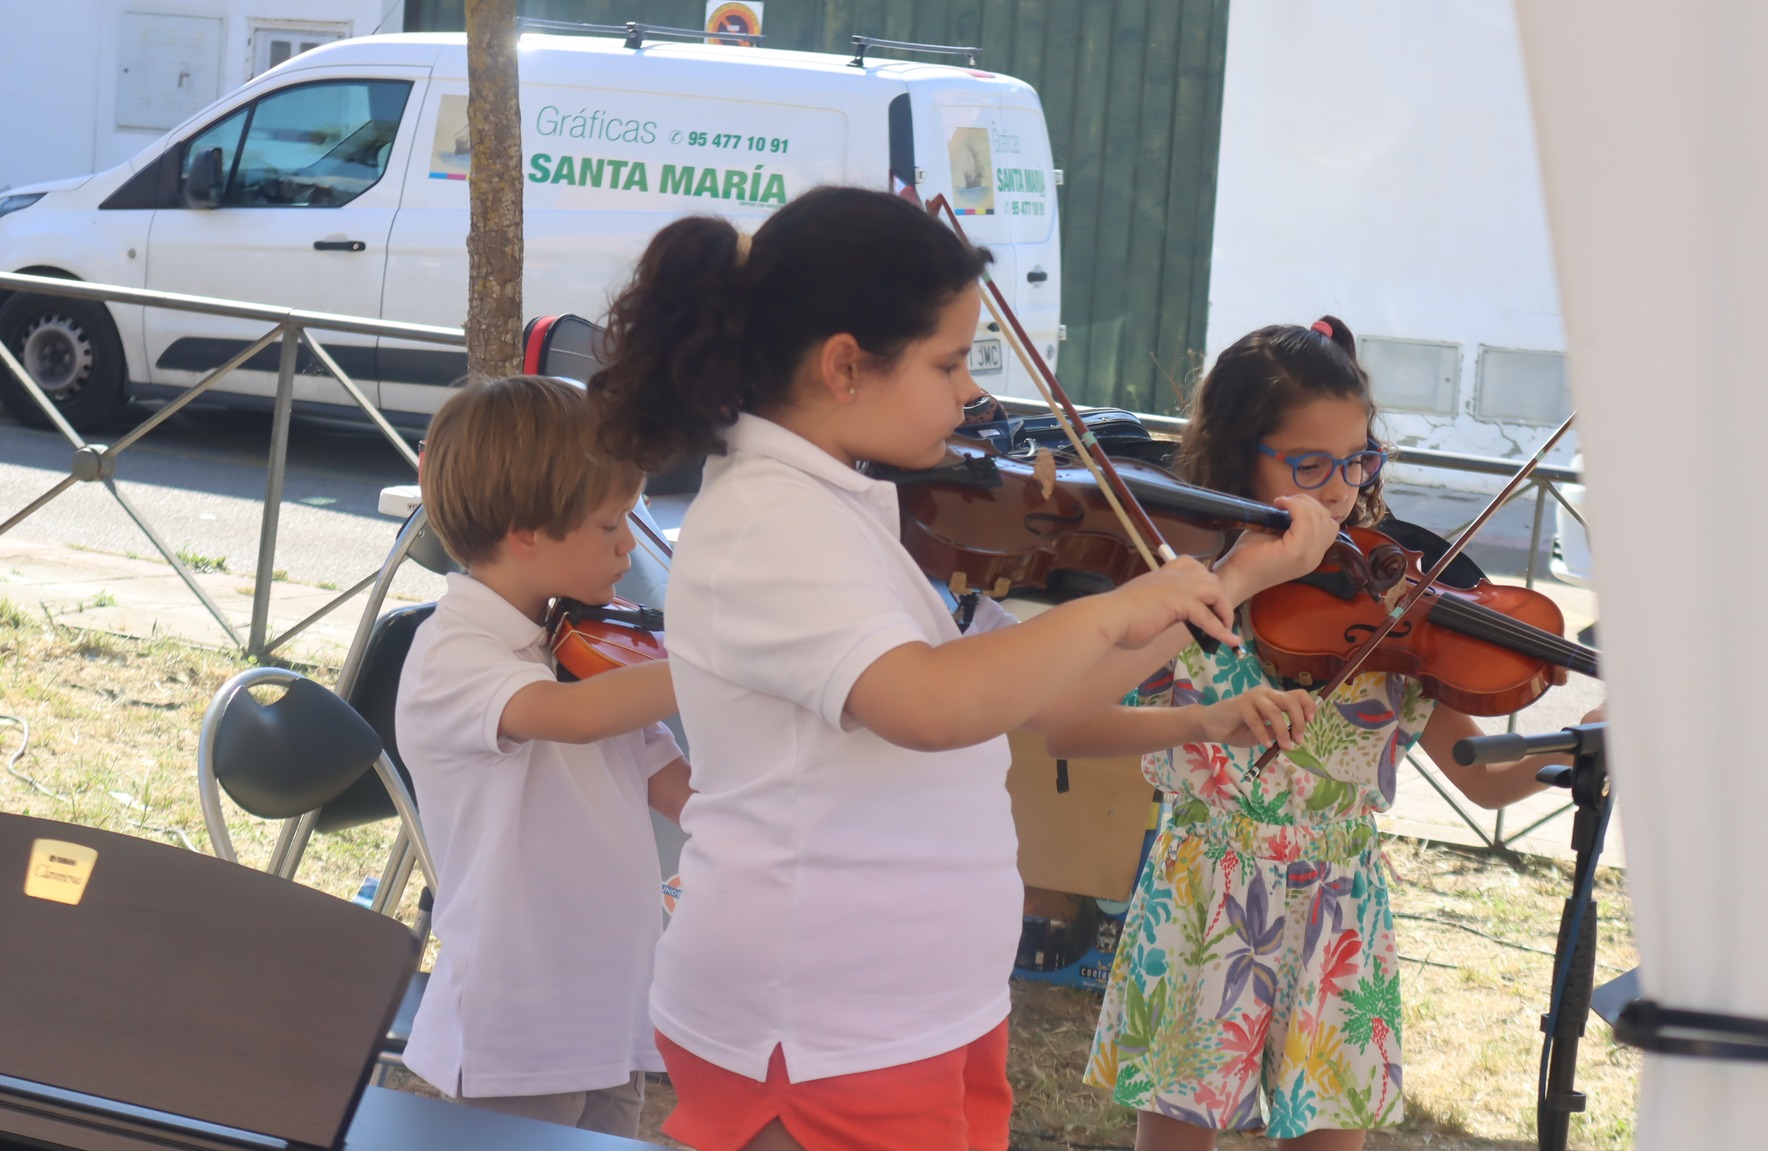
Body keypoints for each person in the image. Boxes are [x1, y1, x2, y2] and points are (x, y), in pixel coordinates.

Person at [586, 186, 1301, 1151]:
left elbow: (1047, 696)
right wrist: (1116, 605)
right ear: (846, 365)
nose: (970, 393)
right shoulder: (771, 521)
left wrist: (1233, 579)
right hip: (820, 1030)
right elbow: (928, 704)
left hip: (916, 1014)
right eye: (949, 362)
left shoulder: (844, 505)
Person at [1051, 317, 1604, 1149]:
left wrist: (1583, 742)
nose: (1341, 489)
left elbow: (1483, 779)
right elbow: (1067, 726)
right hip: (1202, 893)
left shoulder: (1390, 604)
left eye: (1358, 460)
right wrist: (1208, 706)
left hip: (1341, 904)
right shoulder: (1187, 584)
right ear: (1238, 453)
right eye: (1310, 465)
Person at [394, 375, 695, 1137]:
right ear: (526, 532)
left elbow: (668, 778)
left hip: (610, 1003)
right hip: (521, 1021)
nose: (630, 545)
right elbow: (575, 718)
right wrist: (722, 661)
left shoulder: (581, 642)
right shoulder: (454, 654)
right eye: (610, 524)